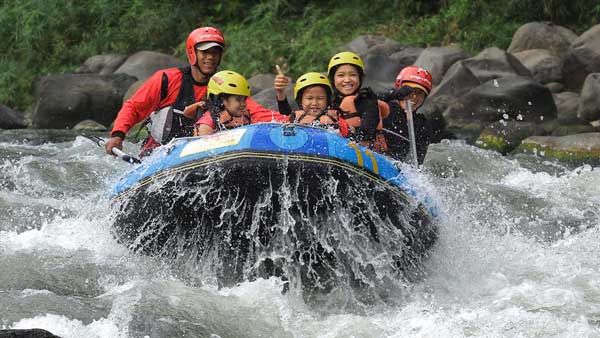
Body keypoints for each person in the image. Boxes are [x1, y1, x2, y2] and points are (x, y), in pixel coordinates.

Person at [105, 26, 283, 156]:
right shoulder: (167, 79)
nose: (210, 57)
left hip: (203, 155)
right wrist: (118, 134)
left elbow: (256, 112)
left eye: (215, 52)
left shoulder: (226, 86)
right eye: (204, 52)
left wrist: (293, 121)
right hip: (159, 154)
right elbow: (134, 107)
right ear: (192, 53)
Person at [379, 66, 433, 164]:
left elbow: (417, 164)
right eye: (409, 90)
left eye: (420, 93)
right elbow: (364, 100)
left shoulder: (422, 126)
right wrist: (391, 94)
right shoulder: (384, 106)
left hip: (391, 167)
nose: (414, 97)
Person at [194, 70, 251, 135]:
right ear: (221, 100)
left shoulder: (243, 117)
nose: (244, 104)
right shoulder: (207, 124)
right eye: (238, 100)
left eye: (244, 99)